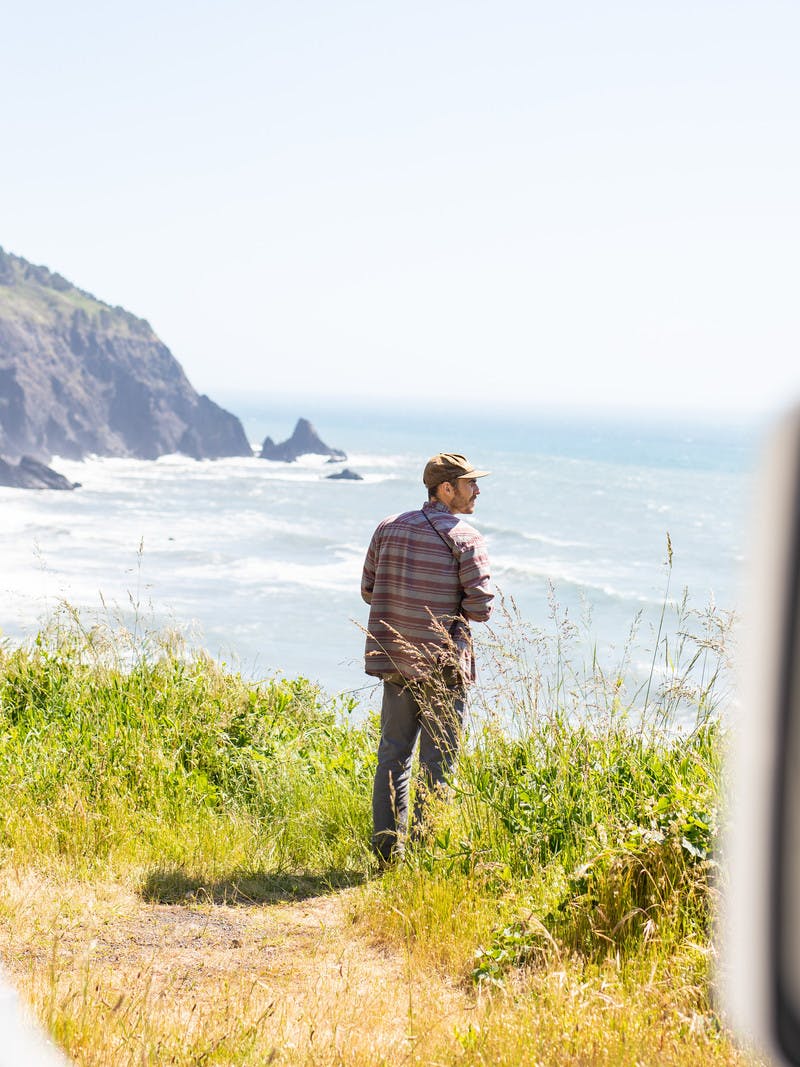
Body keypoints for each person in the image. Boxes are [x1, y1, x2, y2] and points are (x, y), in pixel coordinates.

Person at [361, 452, 494, 864]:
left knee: (393, 756)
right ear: (446, 489)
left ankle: (386, 854)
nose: (478, 490)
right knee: (438, 766)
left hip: (396, 661)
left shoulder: (388, 527)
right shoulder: (465, 538)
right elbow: (482, 607)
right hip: (445, 671)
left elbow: (369, 588)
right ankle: (420, 860)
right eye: (470, 483)